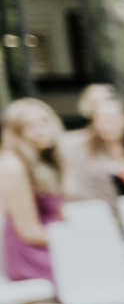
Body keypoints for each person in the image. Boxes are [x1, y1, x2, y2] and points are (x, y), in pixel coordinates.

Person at [1, 97, 64, 282]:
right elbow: (29, 231)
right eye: (28, 126)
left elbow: (61, 216)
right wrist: (77, 241)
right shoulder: (11, 165)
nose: (40, 131)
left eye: (43, 122)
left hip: (56, 242)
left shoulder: (48, 160)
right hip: (31, 253)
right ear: (16, 133)